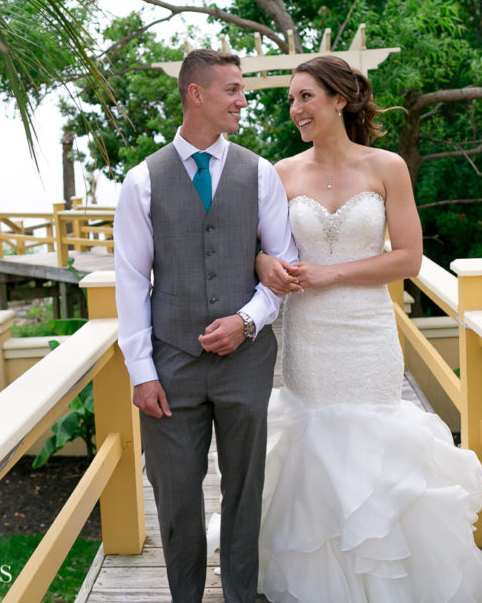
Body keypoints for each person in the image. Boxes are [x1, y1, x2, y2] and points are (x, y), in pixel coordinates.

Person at [254, 55, 482, 602]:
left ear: (340, 100)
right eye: (292, 99)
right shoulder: (281, 173)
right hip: (309, 338)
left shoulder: (387, 167)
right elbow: (259, 253)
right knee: (314, 441)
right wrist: (266, 266)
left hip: (367, 336)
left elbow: (409, 259)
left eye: (306, 97)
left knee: (373, 440)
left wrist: (330, 273)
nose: (295, 109)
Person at [113, 48, 297, 603]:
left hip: (246, 361)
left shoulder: (260, 173)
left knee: (245, 488)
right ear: (196, 94)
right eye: (233, 90)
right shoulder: (141, 181)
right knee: (174, 493)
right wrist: (142, 373)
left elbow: (281, 266)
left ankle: (242, 595)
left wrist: (247, 321)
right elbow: (129, 283)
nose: (243, 100)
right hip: (171, 366)